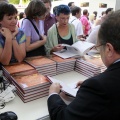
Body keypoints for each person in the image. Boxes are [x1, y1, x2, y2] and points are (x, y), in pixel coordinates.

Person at [47, 10, 120, 120]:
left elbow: (63, 117)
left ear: (109, 49)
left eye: (99, 46)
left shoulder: (98, 87)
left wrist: (53, 94)